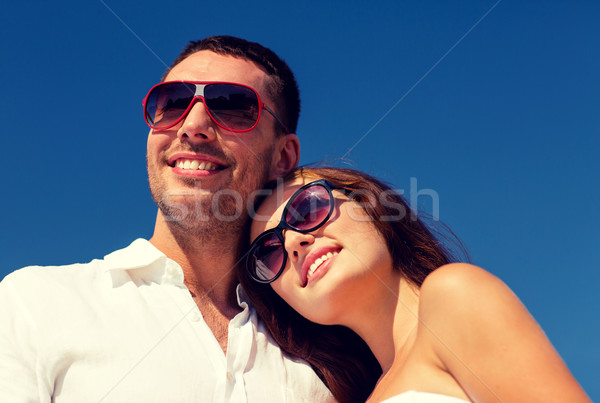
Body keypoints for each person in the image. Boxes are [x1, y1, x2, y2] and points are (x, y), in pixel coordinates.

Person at [0, 36, 334, 402]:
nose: (192, 125)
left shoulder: (325, 351)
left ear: (283, 157)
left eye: (231, 104)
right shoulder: (33, 304)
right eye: (172, 102)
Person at [240, 167, 591, 403]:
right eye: (268, 252)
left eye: (307, 209)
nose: (291, 243)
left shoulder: (453, 295)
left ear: (370, 204)